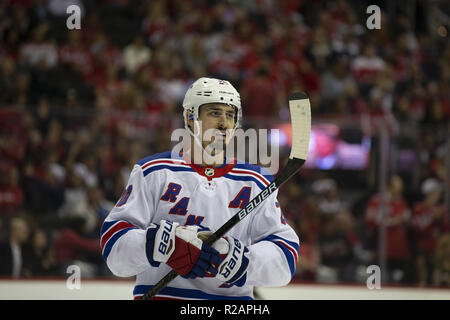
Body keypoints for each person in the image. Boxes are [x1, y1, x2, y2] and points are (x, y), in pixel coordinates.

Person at [100, 77, 299, 300]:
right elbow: (114, 249)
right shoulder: (153, 171)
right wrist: (158, 243)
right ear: (190, 117)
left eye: (230, 115)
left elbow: (285, 257)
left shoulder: (255, 181)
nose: (224, 123)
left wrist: (244, 261)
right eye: (215, 113)